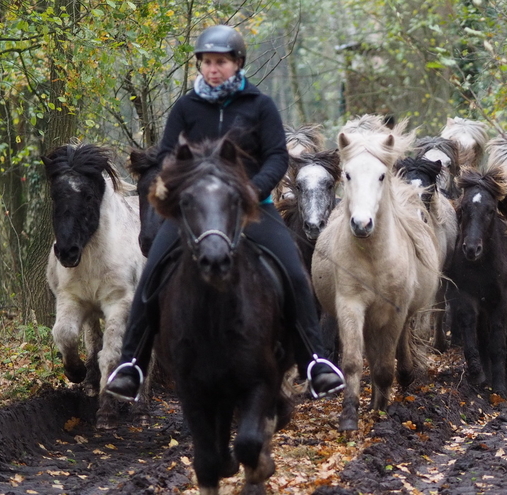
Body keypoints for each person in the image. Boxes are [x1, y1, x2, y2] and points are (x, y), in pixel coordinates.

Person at [106, 24, 345, 402]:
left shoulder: (259, 106)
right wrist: (180, 191)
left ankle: (314, 361)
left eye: (221, 62)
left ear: (237, 63)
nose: (213, 69)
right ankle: (131, 364)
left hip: (253, 207)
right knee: (152, 273)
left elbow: (277, 157)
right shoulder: (186, 107)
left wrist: (252, 191)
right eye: (207, 62)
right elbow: (169, 154)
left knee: (296, 274)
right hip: (195, 213)